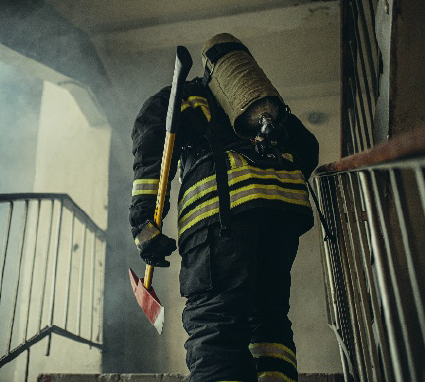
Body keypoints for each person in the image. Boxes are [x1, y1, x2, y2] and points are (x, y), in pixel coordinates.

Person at [129, 33, 319, 382]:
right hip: (283, 215)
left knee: (214, 323)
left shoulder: (184, 96)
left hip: (220, 218)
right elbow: (308, 148)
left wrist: (144, 222)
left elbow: (153, 147)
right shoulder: (271, 114)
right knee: (269, 317)